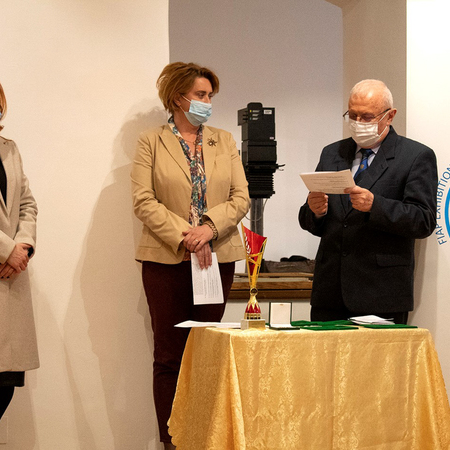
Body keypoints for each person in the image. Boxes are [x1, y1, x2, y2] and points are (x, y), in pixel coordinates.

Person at [131, 62, 250, 449]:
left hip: (217, 258)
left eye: (210, 96)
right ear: (178, 97)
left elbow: (241, 198)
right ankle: (172, 442)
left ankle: (204, 437)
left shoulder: (224, 141)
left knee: (206, 353)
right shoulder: (150, 141)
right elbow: (143, 200)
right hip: (166, 260)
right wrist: (188, 236)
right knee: (169, 356)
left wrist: (209, 229)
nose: (207, 103)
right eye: (200, 95)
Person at [299, 79, 437, 325]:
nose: (358, 123)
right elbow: (310, 219)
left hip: (381, 293)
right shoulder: (332, 153)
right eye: (352, 115)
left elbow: (423, 221)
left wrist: (376, 206)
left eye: (367, 117)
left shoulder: (415, 156)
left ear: (390, 116)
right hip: (329, 293)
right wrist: (315, 211)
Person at [0, 82, 39, 420]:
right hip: (5, 261)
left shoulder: (9, 149)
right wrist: (7, 249)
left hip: (9, 278)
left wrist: (23, 246)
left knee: (4, 386)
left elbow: (27, 203)